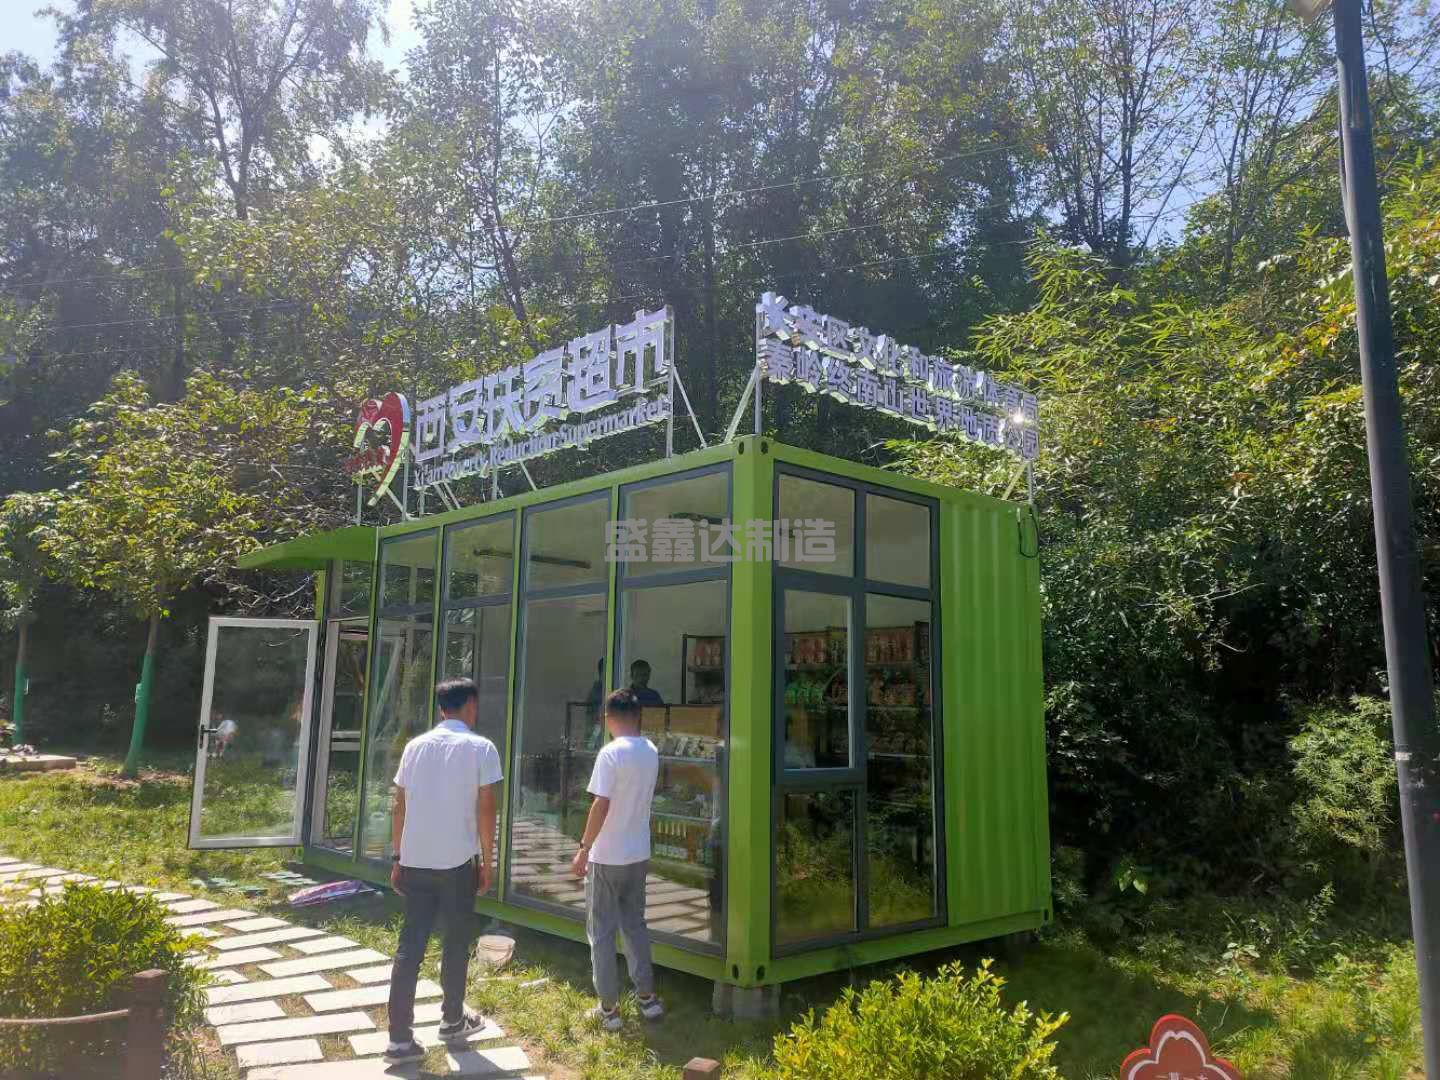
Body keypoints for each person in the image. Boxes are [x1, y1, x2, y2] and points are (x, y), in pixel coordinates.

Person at [384, 677, 502, 1064]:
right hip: (456, 864)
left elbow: (399, 805)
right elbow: (486, 809)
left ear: (440, 709)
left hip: (415, 861)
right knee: (455, 942)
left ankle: (399, 1039)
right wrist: (487, 860)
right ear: (471, 705)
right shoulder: (481, 748)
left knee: (409, 947)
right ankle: (452, 1020)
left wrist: (397, 856)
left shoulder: (414, 747)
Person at [571, 688, 665, 1031]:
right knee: (635, 926)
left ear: (608, 718)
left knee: (601, 932)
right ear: (637, 716)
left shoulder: (610, 753)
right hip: (637, 852)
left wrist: (584, 847)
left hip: (607, 856)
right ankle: (647, 998)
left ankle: (609, 1009)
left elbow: (601, 804)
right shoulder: (650, 750)